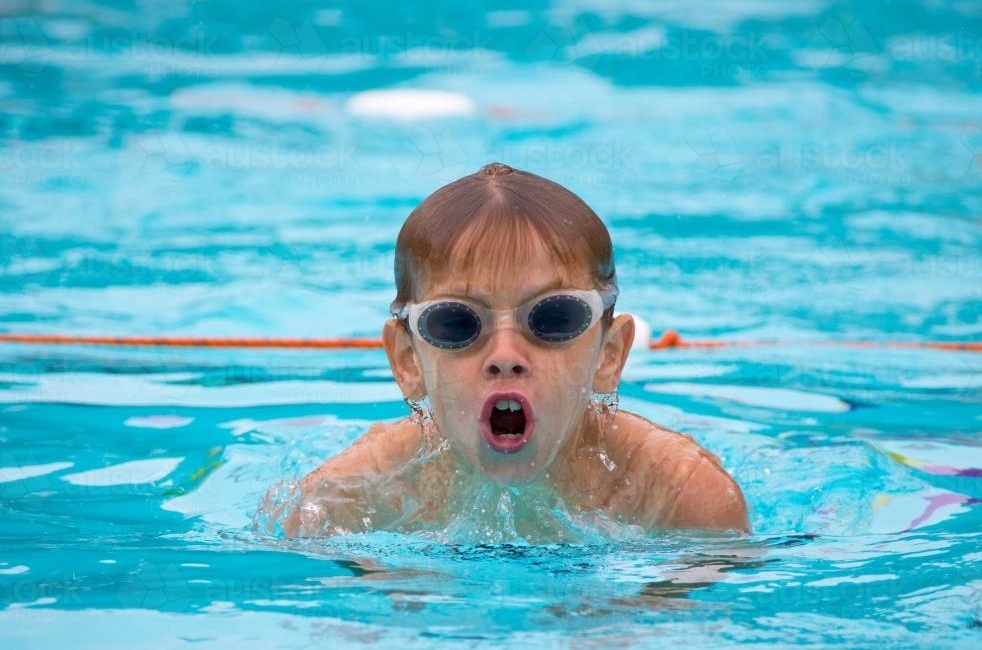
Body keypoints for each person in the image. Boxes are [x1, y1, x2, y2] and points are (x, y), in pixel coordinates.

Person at [267, 163, 748, 540]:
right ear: (408, 362)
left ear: (609, 355)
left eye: (553, 317)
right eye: (456, 323)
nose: (505, 354)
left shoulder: (680, 497)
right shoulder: (347, 502)